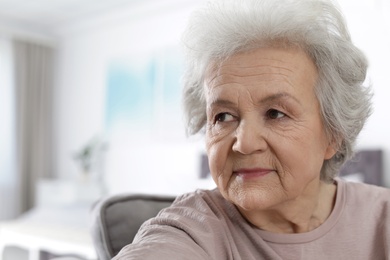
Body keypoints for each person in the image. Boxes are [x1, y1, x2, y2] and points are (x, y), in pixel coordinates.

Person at [114, 0, 390, 259]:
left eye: (275, 113)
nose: (244, 144)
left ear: (333, 133)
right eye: (223, 117)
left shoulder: (382, 217)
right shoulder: (189, 230)